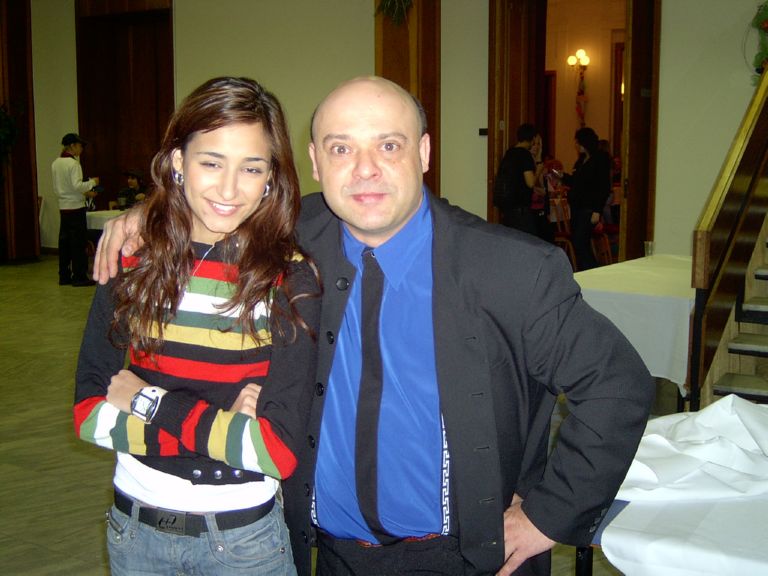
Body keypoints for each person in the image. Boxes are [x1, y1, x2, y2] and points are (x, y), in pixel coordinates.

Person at [95, 76, 654, 576]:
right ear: (316, 162)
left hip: (463, 557)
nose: (365, 170)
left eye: (389, 145)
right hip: (329, 554)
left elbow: (617, 385)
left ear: (424, 152)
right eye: (342, 148)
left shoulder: (510, 270)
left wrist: (548, 515)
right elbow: (216, 203)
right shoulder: (290, 241)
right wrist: (145, 217)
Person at [75, 77, 320, 576]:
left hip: (244, 542)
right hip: (133, 534)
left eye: (251, 167)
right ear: (177, 162)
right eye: (211, 162)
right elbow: (89, 415)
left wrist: (146, 401)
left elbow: (274, 451)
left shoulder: (288, 278)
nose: (229, 189)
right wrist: (225, 431)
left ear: (270, 177)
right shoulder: (132, 260)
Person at [52, 132, 99, 286]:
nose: (81, 149)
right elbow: (77, 186)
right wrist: (92, 182)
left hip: (63, 206)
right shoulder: (73, 164)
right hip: (76, 207)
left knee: (64, 243)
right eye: (80, 146)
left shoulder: (56, 163)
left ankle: (64, 275)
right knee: (78, 243)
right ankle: (79, 276)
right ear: (72, 146)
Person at [562, 127, 612, 271]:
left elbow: (603, 186)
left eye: (578, 142)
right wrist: (562, 176)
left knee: (580, 241)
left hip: (589, 207)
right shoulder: (581, 160)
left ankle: (593, 270)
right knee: (580, 242)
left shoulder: (600, 159)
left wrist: (597, 210)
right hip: (577, 207)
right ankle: (588, 271)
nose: (576, 145)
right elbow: (576, 182)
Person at [493, 124, 545, 237]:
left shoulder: (509, 153)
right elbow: (530, 183)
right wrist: (538, 170)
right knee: (530, 241)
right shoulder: (524, 154)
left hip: (507, 209)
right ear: (532, 138)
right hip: (521, 211)